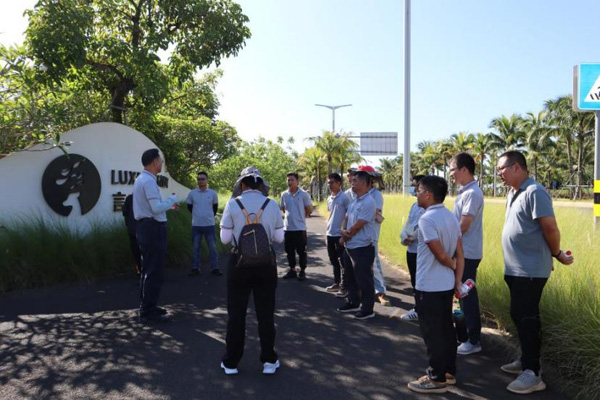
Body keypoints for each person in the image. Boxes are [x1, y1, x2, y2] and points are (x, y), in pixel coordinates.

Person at [496, 151, 573, 394]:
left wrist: (556, 253)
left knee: (527, 318)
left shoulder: (534, 191)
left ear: (517, 167)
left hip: (529, 270)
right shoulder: (513, 193)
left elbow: (550, 227)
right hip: (516, 268)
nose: (499, 174)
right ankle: (526, 360)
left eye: (501, 168)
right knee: (519, 315)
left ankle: (533, 373)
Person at [219, 166, 284, 376]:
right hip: (266, 265)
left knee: (236, 314)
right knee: (265, 314)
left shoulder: (232, 204)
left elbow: (225, 239)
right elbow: (279, 238)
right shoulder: (272, 204)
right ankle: (269, 361)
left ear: (242, 184)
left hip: (238, 265)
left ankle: (231, 362)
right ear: (260, 184)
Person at [407, 175, 464, 394]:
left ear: (428, 195)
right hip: (446, 284)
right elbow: (460, 253)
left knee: (432, 333)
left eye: (419, 190)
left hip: (429, 286)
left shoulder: (427, 219)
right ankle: (448, 372)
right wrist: (457, 279)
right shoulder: (450, 217)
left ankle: (436, 378)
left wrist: (451, 265)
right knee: (446, 329)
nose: (416, 194)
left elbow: (441, 255)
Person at [133, 148, 179, 323]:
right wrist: (172, 200)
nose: (161, 164)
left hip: (146, 227)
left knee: (148, 269)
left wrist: (167, 206)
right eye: (160, 161)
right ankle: (148, 311)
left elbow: (153, 207)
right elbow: (156, 208)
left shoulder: (141, 179)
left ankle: (148, 306)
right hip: (152, 229)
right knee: (154, 270)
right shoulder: (149, 181)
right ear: (154, 162)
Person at [449, 153, 484, 355]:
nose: (451, 174)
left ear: (464, 169)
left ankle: (473, 340)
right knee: (461, 295)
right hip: (462, 251)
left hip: (467, 253)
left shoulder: (472, 193)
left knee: (467, 295)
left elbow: (463, 225)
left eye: (453, 169)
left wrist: (448, 245)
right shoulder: (465, 192)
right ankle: (466, 336)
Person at [337, 169, 377, 320]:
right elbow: (346, 218)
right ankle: (353, 302)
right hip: (350, 246)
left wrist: (345, 236)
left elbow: (359, 224)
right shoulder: (354, 200)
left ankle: (367, 309)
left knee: (364, 280)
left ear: (364, 183)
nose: (351, 183)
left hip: (362, 248)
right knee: (350, 277)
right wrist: (342, 230)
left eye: (355, 181)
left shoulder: (369, 202)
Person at [359, 165, 391, 307]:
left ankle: (380, 292)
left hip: (371, 234)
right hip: (359, 234)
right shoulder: (358, 194)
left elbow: (373, 212)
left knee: (374, 263)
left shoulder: (376, 195)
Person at [399, 175, 426, 321]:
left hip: (421, 250)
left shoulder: (428, 207)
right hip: (411, 249)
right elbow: (409, 223)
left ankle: (421, 310)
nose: (413, 188)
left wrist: (413, 237)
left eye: (415, 186)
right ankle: (418, 307)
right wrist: (404, 236)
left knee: (422, 282)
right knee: (415, 281)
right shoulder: (414, 206)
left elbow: (424, 226)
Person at [186, 171, 221, 276]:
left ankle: (215, 268)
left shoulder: (213, 193)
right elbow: (189, 207)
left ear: (207, 180)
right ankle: (195, 268)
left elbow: (215, 208)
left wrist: (207, 216)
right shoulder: (192, 193)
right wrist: (198, 215)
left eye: (203, 179)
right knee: (195, 248)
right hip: (196, 225)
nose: (200, 181)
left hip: (209, 225)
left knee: (212, 248)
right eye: (198, 179)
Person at [280, 172, 312, 281]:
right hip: (288, 228)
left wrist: (300, 217)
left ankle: (302, 270)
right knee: (289, 251)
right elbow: (283, 209)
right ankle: (292, 270)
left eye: (292, 180)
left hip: (300, 228)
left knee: (301, 251)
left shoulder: (303, 194)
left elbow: (309, 209)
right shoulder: (284, 194)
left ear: (298, 181)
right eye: (288, 180)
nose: (289, 182)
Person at [325, 173, 350, 292]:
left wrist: (344, 235)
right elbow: (330, 215)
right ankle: (336, 283)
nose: (329, 185)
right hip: (330, 234)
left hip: (339, 235)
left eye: (332, 182)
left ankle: (344, 286)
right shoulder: (329, 198)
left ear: (339, 183)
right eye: (328, 183)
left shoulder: (345, 198)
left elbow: (349, 216)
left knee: (342, 261)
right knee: (334, 261)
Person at [122, 193, 141, 276]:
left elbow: (125, 212)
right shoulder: (145, 198)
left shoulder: (129, 198)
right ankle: (144, 270)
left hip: (132, 229)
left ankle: (139, 270)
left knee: (135, 251)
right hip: (142, 229)